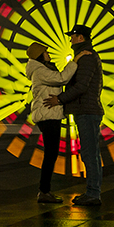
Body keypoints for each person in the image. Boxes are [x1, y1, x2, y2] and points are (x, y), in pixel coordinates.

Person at [44, 24, 103, 206]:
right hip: (86, 110)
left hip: (86, 110)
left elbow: (81, 86)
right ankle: (93, 192)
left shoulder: (87, 58)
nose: (70, 40)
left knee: (89, 154)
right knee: (91, 153)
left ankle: (93, 193)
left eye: (72, 36)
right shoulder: (86, 57)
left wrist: (60, 99)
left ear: (80, 38)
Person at [26, 41, 76, 203]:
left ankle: (45, 190)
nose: (49, 54)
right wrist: (74, 62)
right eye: (46, 52)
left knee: (51, 153)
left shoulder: (40, 70)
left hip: (49, 115)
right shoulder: (40, 71)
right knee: (51, 154)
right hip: (48, 115)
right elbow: (62, 78)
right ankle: (44, 191)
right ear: (39, 55)